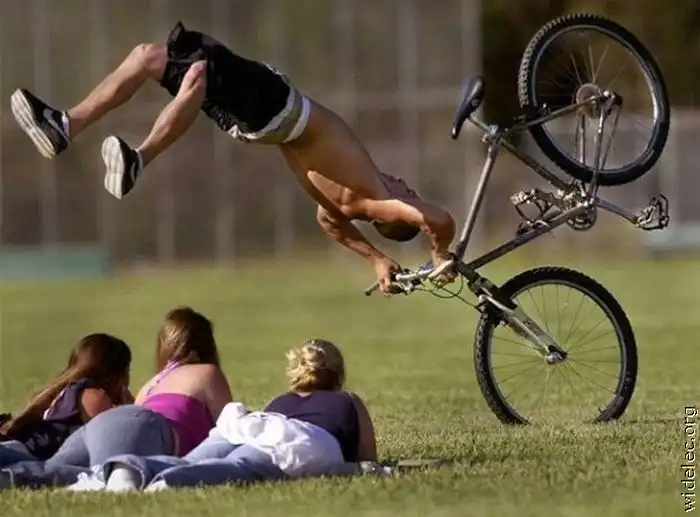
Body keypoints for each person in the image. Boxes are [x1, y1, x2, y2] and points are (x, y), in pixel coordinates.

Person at [10, 21, 457, 295]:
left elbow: (439, 219)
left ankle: (137, 159)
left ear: (390, 217)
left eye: (407, 192)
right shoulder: (342, 206)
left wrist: (440, 256)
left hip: (275, 107)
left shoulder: (377, 201)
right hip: (260, 121)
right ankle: (65, 125)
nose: (405, 184)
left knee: (196, 72)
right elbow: (329, 225)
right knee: (148, 57)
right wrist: (375, 258)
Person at [68, 338, 377, 492]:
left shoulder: (279, 401)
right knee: (238, 467)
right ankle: (163, 481)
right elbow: (367, 459)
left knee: (192, 459)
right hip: (300, 443)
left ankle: (121, 470)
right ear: (338, 374)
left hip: (247, 426)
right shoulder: (347, 400)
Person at [0, 306, 233, 489]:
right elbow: (231, 428)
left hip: (106, 425)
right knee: (99, 476)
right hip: (144, 427)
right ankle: (11, 476)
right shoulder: (207, 373)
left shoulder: (151, 384)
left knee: (48, 468)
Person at [0, 333, 133, 467]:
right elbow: (115, 444)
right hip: (25, 455)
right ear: (117, 375)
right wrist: (128, 408)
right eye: (128, 371)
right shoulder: (93, 397)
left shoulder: (66, 390)